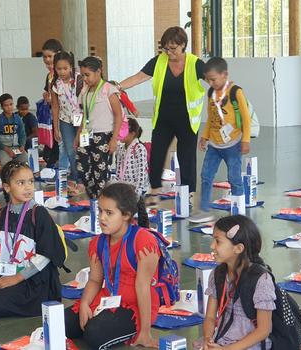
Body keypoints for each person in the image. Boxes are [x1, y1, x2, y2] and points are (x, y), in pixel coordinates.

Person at [65, 182, 159, 348]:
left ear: (126, 215)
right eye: (100, 211)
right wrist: (86, 303)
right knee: (61, 323)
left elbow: (143, 287)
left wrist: (145, 332)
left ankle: (123, 328)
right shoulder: (98, 243)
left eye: (109, 213)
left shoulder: (143, 241)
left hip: (134, 306)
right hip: (106, 299)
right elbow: (94, 280)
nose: (102, 217)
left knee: (94, 334)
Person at [118, 26, 206, 196]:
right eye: (166, 48)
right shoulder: (158, 61)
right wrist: (118, 86)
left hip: (187, 119)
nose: (169, 52)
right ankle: (155, 189)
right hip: (164, 118)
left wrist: (226, 91)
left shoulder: (195, 64)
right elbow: (138, 77)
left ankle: (189, 193)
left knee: (186, 156)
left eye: (172, 48)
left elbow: (214, 80)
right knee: (157, 153)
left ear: (183, 45)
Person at [0, 160, 67, 318]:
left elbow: (45, 256)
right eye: (21, 182)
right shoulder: (2, 214)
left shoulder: (38, 214)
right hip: (8, 273)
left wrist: (17, 278)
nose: (28, 187)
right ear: (7, 187)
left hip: (34, 281)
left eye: (31, 181)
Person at [199, 215, 275, 350]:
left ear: (238, 248)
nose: (212, 246)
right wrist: (207, 339)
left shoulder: (261, 279)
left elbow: (264, 330)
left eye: (218, 241)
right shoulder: (218, 274)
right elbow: (210, 317)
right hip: (221, 341)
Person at [191, 57, 252, 224]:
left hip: (233, 144)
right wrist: (204, 137)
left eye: (213, 79)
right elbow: (211, 118)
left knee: (234, 177)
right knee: (206, 175)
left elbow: (246, 118)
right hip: (215, 145)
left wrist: (245, 140)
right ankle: (204, 210)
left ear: (224, 75)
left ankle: (239, 210)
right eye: (208, 80)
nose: (211, 83)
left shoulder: (235, 92)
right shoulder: (211, 93)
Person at [75, 56, 123, 199]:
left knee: (100, 173)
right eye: (83, 75)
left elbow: (118, 115)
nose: (85, 78)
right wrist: (78, 134)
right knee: (82, 169)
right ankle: (93, 198)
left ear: (98, 72)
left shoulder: (109, 90)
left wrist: (114, 139)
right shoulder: (84, 91)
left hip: (103, 136)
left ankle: (100, 201)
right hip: (86, 134)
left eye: (87, 75)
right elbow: (84, 114)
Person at [50, 51, 82, 188]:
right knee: (70, 149)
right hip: (65, 120)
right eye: (59, 69)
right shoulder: (55, 84)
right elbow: (55, 106)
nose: (62, 72)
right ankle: (76, 177)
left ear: (71, 67)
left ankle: (84, 177)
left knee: (83, 148)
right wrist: (56, 127)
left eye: (65, 68)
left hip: (82, 119)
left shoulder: (81, 80)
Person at [40, 39, 63, 168]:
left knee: (60, 143)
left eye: (50, 56)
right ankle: (51, 165)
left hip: (63, 115)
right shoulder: (49, 75)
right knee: (53, 141)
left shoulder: (63, 75)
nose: (47, 60)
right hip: (52, 115)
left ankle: (57, 166)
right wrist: (46, 95)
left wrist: (52, 99)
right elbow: (46, 90)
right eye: (45, 57)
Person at [115, 118, 149, 199]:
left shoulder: (139, 148)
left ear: (132, 133)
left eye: (123, 131)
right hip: (124, 189)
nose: (120, 134)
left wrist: (137, 194)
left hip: (137, 190)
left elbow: (141, 174)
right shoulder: (121, 148)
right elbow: (118, 170)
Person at [0, 93, 27, 163]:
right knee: (5, 165)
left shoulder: (18, 118)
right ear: (1, 107)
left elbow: (22, 134)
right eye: (6, 105)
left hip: (17, 148)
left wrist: (22, 146)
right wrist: (6, 149)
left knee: (27, 162)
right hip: (4, 149)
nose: (9, 107)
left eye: (11, 104)